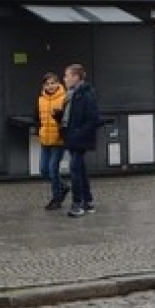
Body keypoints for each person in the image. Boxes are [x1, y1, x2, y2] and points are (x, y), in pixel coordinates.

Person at [59, 63, 101, 218]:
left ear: (76, 77)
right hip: (72, 136)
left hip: (78, 139)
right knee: (80, 170)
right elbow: (70, 115)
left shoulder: (86, 94)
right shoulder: (71, 94)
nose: (65, 79)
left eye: (67, 75)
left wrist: (78, 133)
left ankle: (77, 203)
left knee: (75, 170)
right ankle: (88, 201)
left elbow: (92, 119)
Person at [35, 72, 69, 211]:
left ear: (58, 83)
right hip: (45, 139)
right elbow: (37, 118)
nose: (50, 86)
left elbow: (68, 119)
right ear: (44, 85)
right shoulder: (40, 99)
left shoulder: (65, 98)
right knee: (44, 170)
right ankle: (63, 187)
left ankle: (56, 199)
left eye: (53, 83)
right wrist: (40, 131)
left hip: (58, 140)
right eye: (47, 84)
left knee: (52, 169)